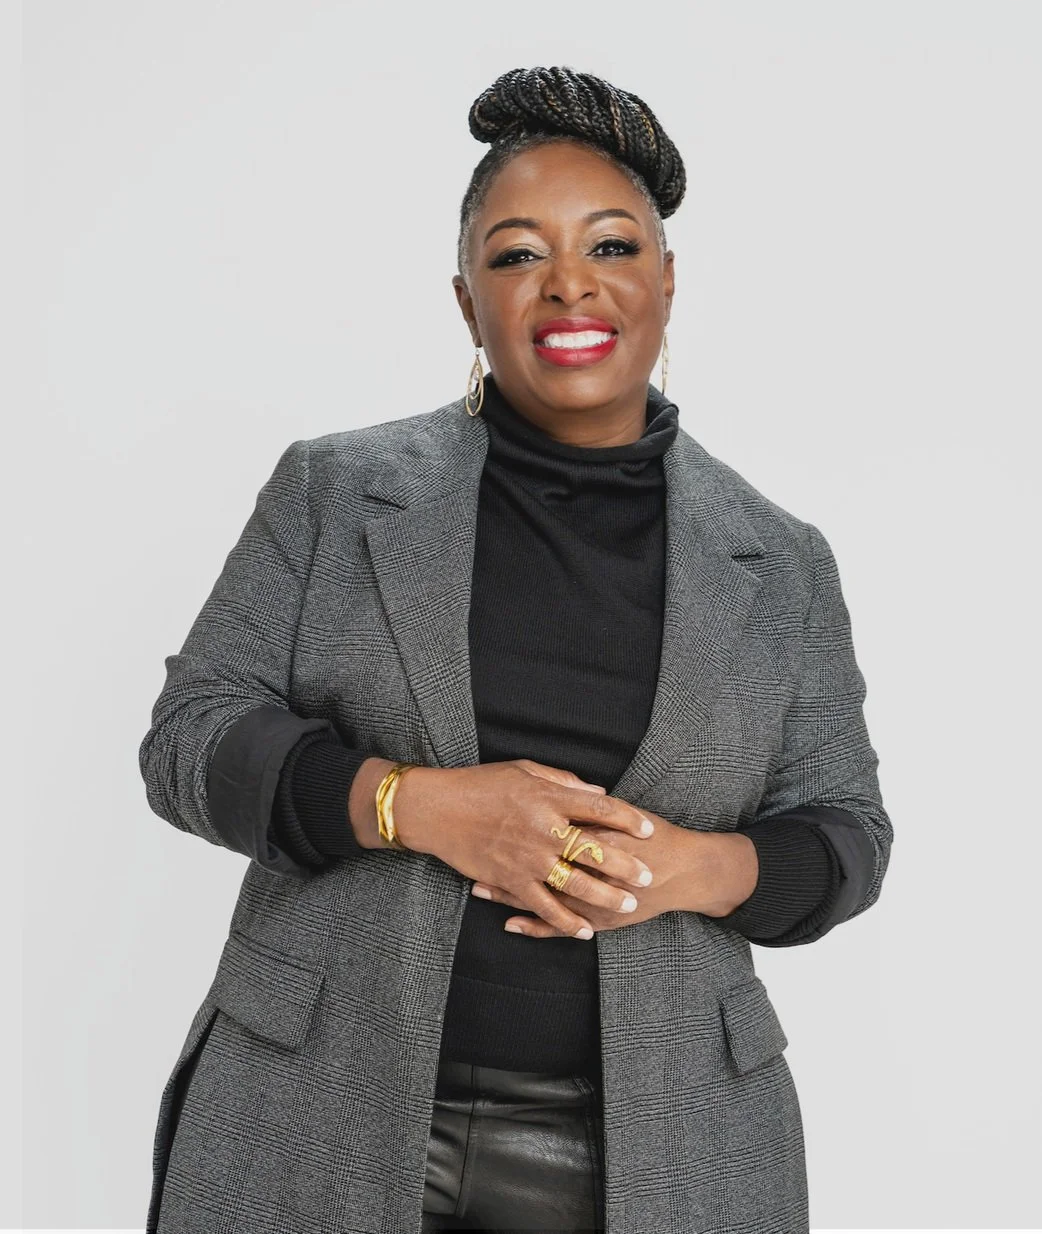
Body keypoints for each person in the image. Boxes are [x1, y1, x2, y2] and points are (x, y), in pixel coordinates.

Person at [139, 65, 892, 1234]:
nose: (568, 285)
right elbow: (188, 742)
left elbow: (845, 833)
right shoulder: (335, 492)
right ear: (464, 301)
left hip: (665, 1144)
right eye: (514, 254)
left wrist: (685, 868)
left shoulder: (780, 562)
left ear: (668, 279)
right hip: (321, 1110)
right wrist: (413, 804)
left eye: (611, 245)